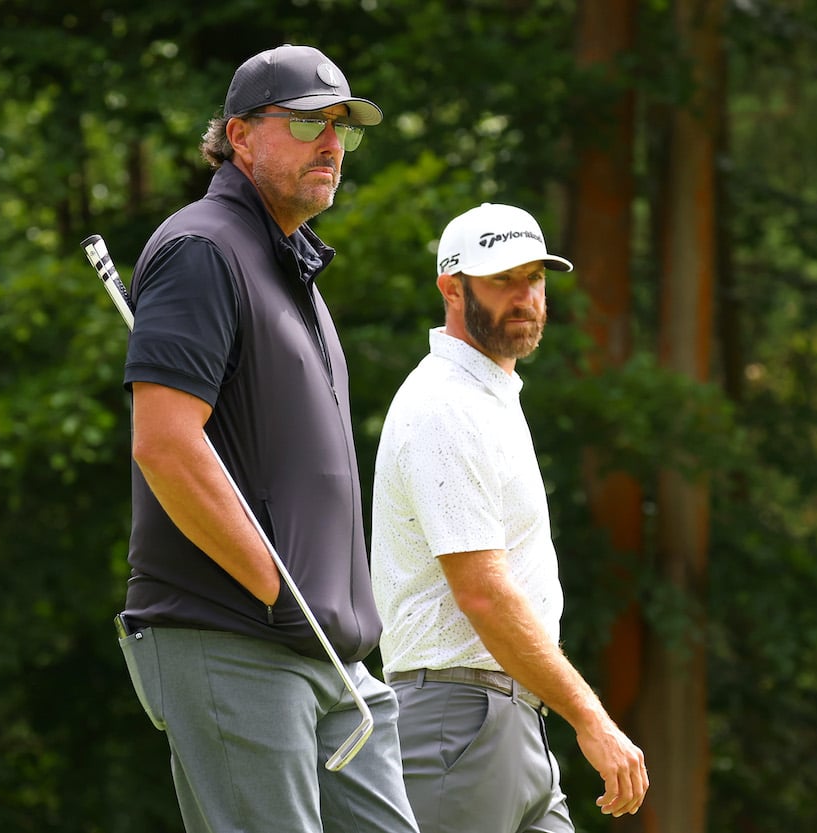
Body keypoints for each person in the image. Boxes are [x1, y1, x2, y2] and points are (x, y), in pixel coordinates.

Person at [115, 44, 418, 833]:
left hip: (336, 661)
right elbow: (167, 445)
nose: (330, 144)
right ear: (240, 136)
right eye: (308, 121)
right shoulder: (201, 249)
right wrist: (276, 592)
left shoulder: (292, 270)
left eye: (342, 130)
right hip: (236, 635)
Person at [370, 202, 650, 833]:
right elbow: (484, 595)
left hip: (513, 715)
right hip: (455, 718)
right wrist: (591, 717)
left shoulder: (487, 397)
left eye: (535, 278)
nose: (525, 296)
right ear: (451, 288)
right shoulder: (445, 406)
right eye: (502, 279)